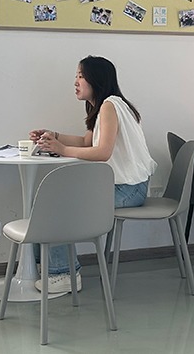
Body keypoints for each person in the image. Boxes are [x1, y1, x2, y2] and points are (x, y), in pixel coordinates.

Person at [30, 56, 157, 297]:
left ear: (96, 79)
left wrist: (61, 149)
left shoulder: (110, 106)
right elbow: (87, 142)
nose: (75, 82)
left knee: (58, 205)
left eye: (81, 76)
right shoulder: (101, 106)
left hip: (130, 189)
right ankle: (49, 268)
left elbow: (102, 152)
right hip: (123, 186)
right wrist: (53, 135)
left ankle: (64, 274)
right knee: (53, 199)